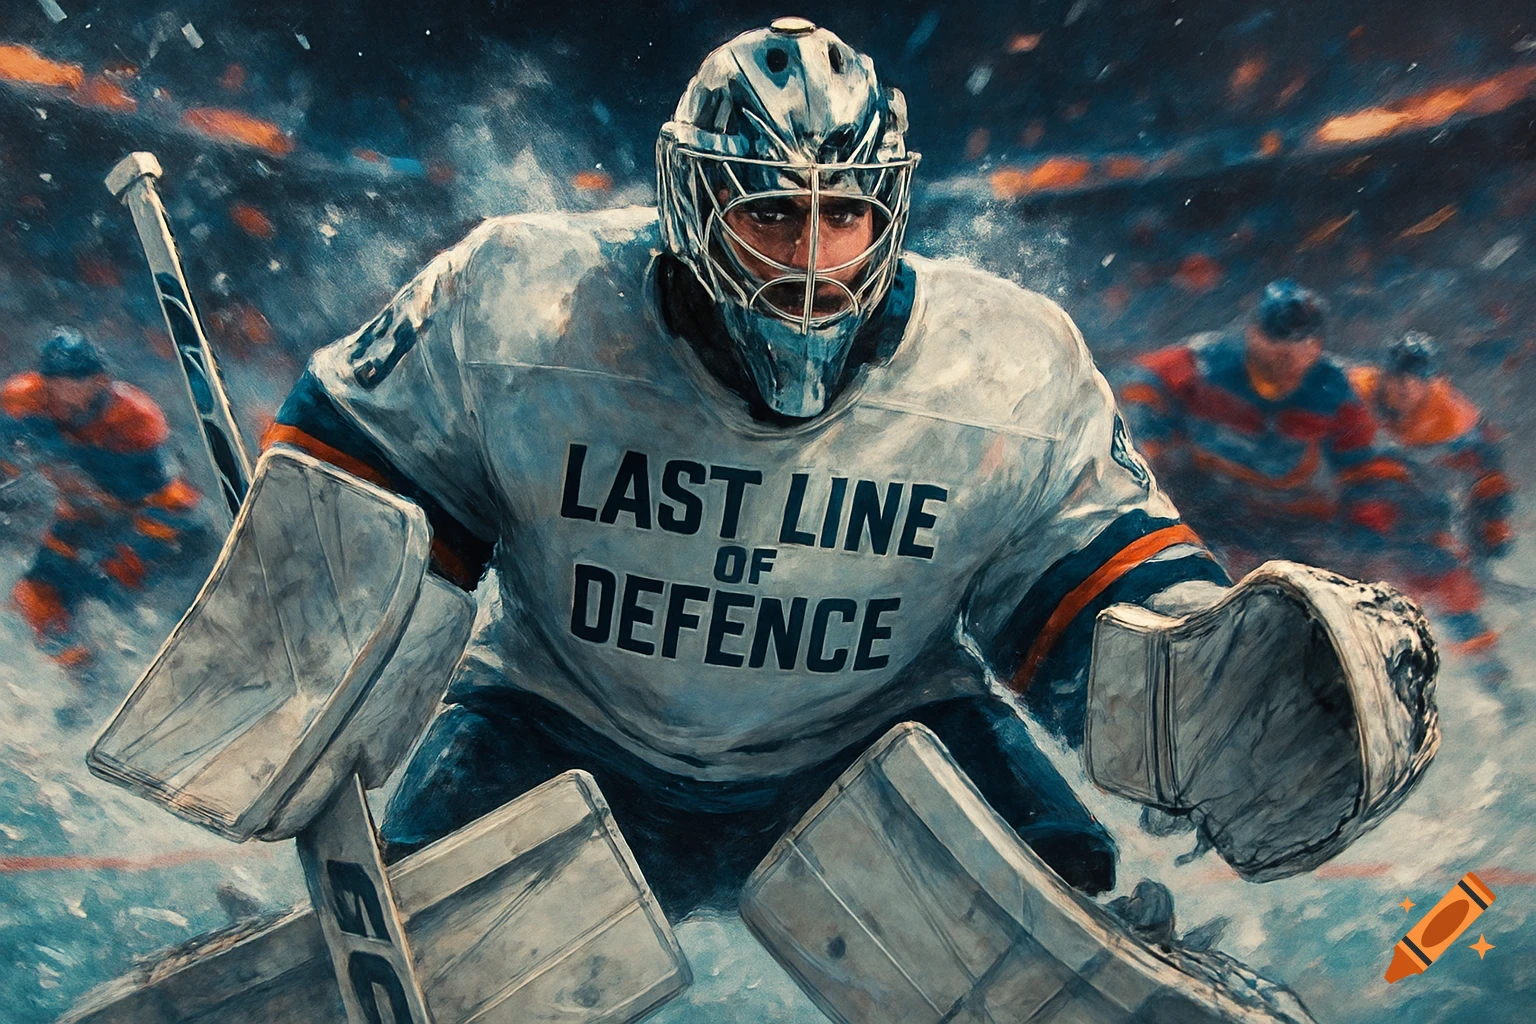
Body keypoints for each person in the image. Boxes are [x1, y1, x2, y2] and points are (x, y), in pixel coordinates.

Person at [256, 22, 1417, 927]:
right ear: (692, 200)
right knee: (398, 928)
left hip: (868, 735)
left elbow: (1081, 591)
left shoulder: (1005, 360)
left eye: (846, 213)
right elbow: (355, 479)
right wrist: (309, 639)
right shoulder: (518, 299)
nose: (814, 259)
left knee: (1073, 895)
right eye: (770, 212)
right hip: (562, 719)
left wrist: (1199, 680)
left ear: (893, 207)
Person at [1118, 279, 1406, 573]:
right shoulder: (1207, 361)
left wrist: (1368, 532)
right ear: (1253, 332)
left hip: (1297, 530)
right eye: (1276, 335)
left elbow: (1371, 470)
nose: (1288, 350)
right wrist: (1153, 450)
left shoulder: (1338, 394)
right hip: (1207, 509)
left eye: (1303, 339)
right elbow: (1142, 383)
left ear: (1317, 345)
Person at [3, 328, 205, 675]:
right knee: (35, 596)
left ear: (98, 381)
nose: (57, 392)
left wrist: (122, 558)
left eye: (70, 380)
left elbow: (165, 499)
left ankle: (162, 666)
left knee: (111, 590)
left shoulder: (135, 417)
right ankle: (88, 680)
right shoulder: (22, 400)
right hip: (84, 517)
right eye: (51, 380)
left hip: (158, 522)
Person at [1346, 332, 1514, 687]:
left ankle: (1494, 682)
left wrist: (1493, 520)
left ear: (1430, 381)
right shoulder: (1352, 389)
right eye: (1398, 377)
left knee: (1449, 581)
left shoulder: (1453, 414)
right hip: (1347, 504)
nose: (1406, 387)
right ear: (1384, 374)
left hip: (1416, 512)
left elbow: (1488, 466)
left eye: (1417, 379)